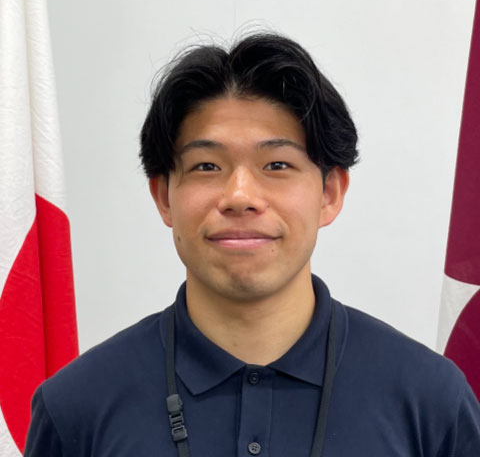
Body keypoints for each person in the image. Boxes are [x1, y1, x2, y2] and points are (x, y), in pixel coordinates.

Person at [25, 33, 480, 457]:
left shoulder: (430, 401)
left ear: (329, 193)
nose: (240, 196)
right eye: (206, 166)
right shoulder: (76, 407)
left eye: (277, 164)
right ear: (164, 197)